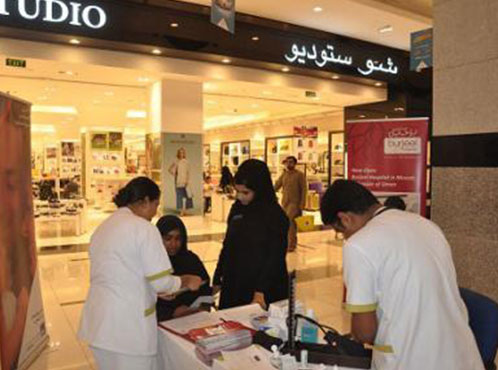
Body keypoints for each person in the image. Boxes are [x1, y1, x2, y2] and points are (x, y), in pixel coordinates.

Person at [320, 180, 484, 370]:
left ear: (345, 219)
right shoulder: (426, 225)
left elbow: (365, 333)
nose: (345, 238)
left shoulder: (359, 244)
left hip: (411, 360)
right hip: (463, 356)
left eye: (341, 232)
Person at [78, 177, 203, 370]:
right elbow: (161, 282)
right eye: (155, 205)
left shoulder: (104, 227)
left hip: (99, 325)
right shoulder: (144, 229)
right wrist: (186, 280)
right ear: (145, 201)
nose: (155, 212)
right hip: (128, 329)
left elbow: (124, 272)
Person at [213, 159, 289, 310]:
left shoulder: (275, 215)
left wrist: (261, 290)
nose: (240, 197)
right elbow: (228, 244)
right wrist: (218, 276)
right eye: (237, 191)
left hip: (263, 287)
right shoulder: (237, 209)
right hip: (235, 281)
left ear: (260, 189)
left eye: (245, 192)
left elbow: (275, 256)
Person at [155, 215, 213, 321]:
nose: (173, 244)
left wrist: (201, 309)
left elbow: (206, 289)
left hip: (194, 320)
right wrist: (172, 312)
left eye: (178, 239)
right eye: (168, 239)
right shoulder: (153, 263)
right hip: (162, 323)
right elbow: (147, 298)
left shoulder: (191, 260)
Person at [274, 156, 307, 252]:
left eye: (291, 162)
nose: (289, 164)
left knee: (290, 223)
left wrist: (302, 205)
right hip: (285, 202)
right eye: (287, 162)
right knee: (285, 223)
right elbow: (276, 186)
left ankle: (291, 245)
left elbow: (304, 190)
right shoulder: (284, 174)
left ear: (295, 163)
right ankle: (288, 243)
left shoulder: (300, 175)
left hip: (295, 203)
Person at [168, 148, 192, 216]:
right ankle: (181, 211)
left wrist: (187, 180)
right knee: (179, 196)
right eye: (180, 152)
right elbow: (170, 169)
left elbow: (188, 172)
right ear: (178, 153)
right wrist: (175, 174)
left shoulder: (186, 162)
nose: (182, 154)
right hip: (178, 182)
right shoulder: (176, 161)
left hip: (185, 181)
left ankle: (186, 210)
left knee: (188, 196)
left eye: (183, 153)